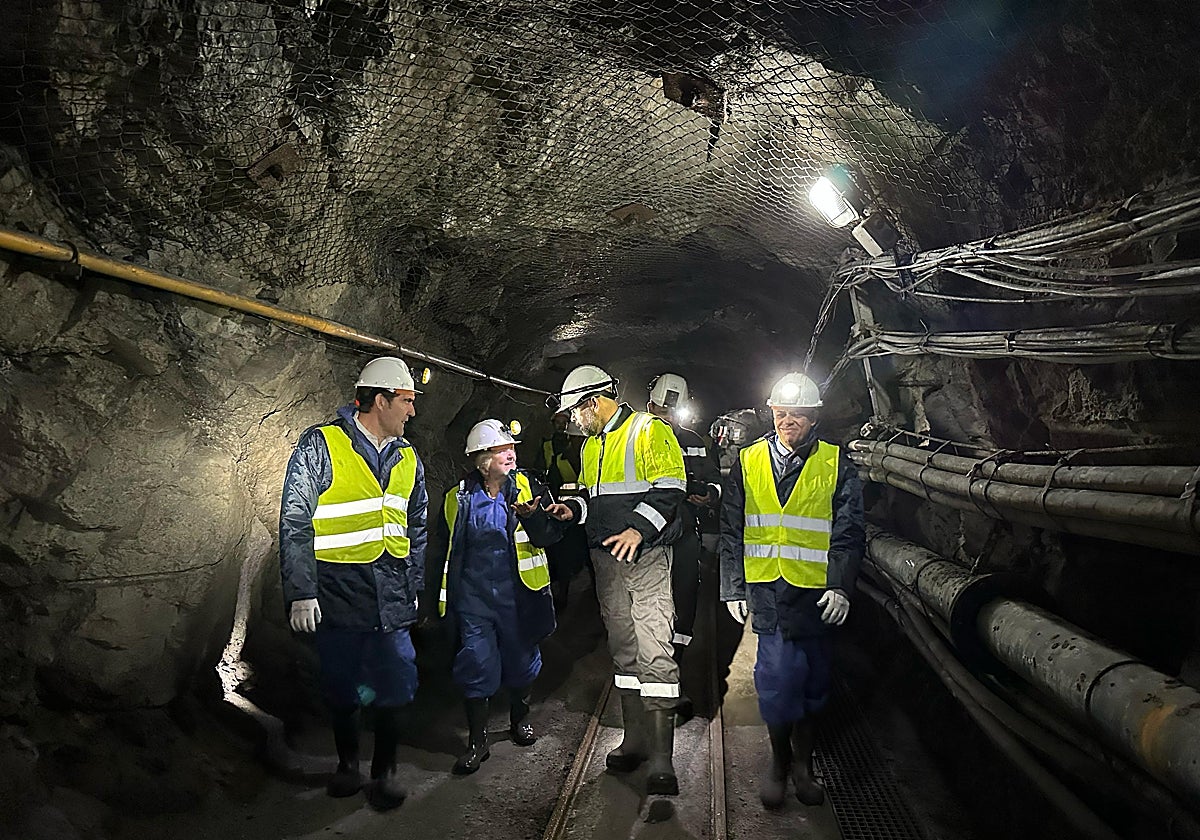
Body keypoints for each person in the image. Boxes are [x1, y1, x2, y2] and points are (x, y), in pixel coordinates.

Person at [279, 356, 428, 811]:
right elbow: (296, 520)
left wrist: (414, 583)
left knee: (396, 681)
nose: (413, 411)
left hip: (392, 590)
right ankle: (348, 764)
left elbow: (417, 525)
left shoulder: (408, 457)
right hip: (338, 588)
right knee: (342, 682)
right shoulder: (321, 445)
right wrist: (301, 591)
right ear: (380, 400)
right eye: (407, 400)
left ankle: (385, 771)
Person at [718, 371, 864, 810]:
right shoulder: (748, 461)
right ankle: (780, 763)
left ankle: (805, 765)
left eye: (797, 414)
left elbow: (849, 531)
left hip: (815, 594)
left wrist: (840, 585)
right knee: (778, 679)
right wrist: (732, 586)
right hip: (768, 590)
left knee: (815, 681)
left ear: (814, 417)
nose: (787, 421)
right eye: (781, 413)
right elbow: (731, 528)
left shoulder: (836, 463)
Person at [543, 364, 687, 796]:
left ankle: (662, 759)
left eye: (576, 411)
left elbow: (671, 488)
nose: (574, 420)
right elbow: (594, 499)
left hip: (646, 558)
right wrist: (573, 510)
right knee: (623, 651)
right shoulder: (592, 447)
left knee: (655, 649)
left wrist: (638, 530)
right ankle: (635, 739)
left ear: (593, 402)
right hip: (606, 561)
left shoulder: (648, 430)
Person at [436, 419, 562, 774]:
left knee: (522, 663)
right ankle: (478, 742)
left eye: (511, 448)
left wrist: (533, 517)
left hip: (517, 596)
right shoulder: (458, 497)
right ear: (482, 459)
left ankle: (519, 721)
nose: (510, 454)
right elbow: (448, 548)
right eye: (500, 449)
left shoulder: (529, 487)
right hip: (474, 600)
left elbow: (550, 536)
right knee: (476, 663)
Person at [645, 373, 721, 722]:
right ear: (650, 407)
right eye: (661, 411)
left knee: (684, 605)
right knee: (649, 611)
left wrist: (709, 494)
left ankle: (673, 676)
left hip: (686, 535)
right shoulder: (636, 440)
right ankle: (652, 685)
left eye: (671, 413)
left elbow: (714, 479)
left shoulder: (692, 441)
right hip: (648, 539)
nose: (667, 418)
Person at [535, 413, 590, 611]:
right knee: (560, 551)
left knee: (583, 549)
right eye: (557, 422)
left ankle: (591, 592)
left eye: (563, 423)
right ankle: (562, 593)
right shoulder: (547, 446)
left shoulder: (580, 446)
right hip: (557, 507)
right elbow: (540, 471)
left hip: (580, 509)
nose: (560, 426)